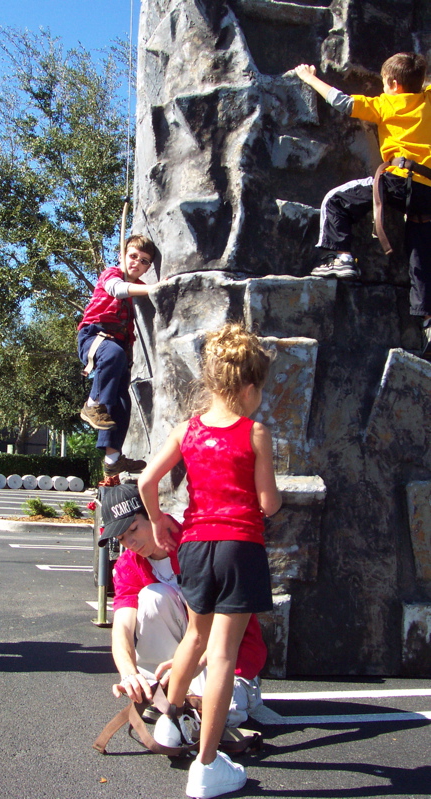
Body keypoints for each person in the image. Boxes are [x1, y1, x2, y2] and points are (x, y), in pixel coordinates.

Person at [138, 323, 282, 799]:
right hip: (240, 547)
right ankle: (206, 765)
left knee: (195, 638)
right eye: (259, 387)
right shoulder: (255, 432)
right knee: (222, 654)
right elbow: (267, 504)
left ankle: (168, 720)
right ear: (247, 387)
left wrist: (159, 521)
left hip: (196, 546)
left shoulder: (188, 429)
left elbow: (145, 483)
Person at [295, 53, 431, 357]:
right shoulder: (428, 99)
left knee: (337, 200)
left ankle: (341, 256)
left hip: (399, 181)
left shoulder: (386, 104)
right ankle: (427, 319)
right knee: (421, 250)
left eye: (384, 84)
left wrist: (308, 77)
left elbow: (341, 101)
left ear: (393, 84)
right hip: (429, 190)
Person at [99, 483, 267, 729]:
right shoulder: (128, 564)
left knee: (224, 716)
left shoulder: (197, 542)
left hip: (226, 655)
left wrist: (189, 667)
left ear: (152, 513)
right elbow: (122, 627)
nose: (131, 543)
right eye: (122, 538)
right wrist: (128, 673)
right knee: (153, 596)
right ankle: (157, 686)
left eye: (134, 529)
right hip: (181, 662)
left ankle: (226, 691)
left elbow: (227, 625)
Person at [78, 234, 159, 477]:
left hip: (121, 348)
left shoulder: (140, 287)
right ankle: (91, 405)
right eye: (132, 256)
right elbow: (117, 289)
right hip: (96, 336)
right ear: (122, 256)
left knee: (122, 403)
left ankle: (113, 459)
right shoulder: (111, 274)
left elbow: (150, 292)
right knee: (112, 355)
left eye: (144, 261)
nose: (136, 263)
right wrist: (152, 288)